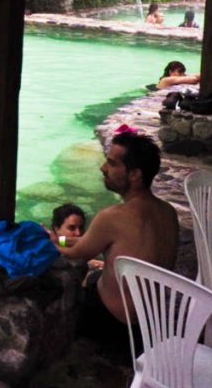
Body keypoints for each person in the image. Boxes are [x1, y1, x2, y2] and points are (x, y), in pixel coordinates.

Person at [51, 128, 178, 349]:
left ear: (134, 175)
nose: (103, 168)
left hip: (115, 324)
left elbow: (75, 254)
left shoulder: (113, 217)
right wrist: (60, 240)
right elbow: (89, 241)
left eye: (112, 163)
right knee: (97, 276)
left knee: (68, 291)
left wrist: (49, 242)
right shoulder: (168, 212)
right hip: (152, 321)